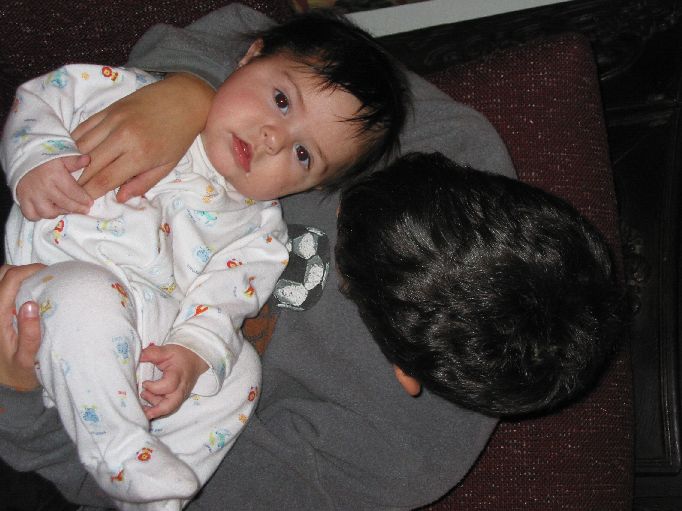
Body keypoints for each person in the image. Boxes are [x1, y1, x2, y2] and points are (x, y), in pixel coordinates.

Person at [0, 3, 517, 510]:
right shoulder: (460, 158)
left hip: (65, 359)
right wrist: (187, 87)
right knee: (94, 299)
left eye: (303, 155)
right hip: (52, 224)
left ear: (404, 371)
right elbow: (263, 35)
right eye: (281, 103)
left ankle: (145, 480)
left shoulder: (389, 459)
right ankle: (126, 450)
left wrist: (17, 394)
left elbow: (226, 293)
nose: (272, 139)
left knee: (238, 370)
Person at [336, 152, 621, 418]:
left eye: (346, 278)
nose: (337, 209)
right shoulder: (470, 143)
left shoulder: (376, 430)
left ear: (403, 373)